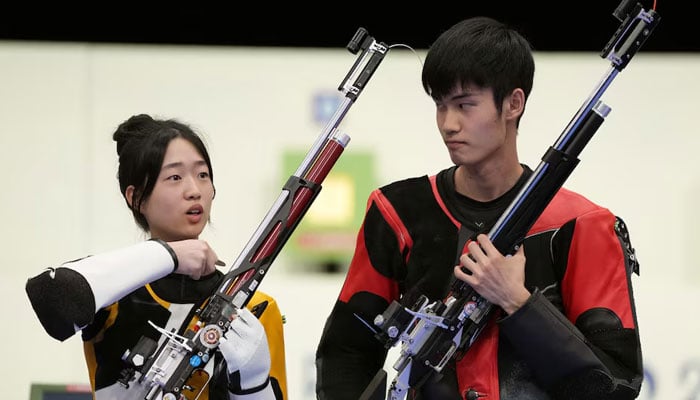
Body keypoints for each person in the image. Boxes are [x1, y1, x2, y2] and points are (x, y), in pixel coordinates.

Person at [315, 16, 643, 400]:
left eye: (465, 105)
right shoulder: (397, 213)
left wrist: (517, 302)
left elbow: (616, 387)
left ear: (513, 103)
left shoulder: (582, 225)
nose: (448, 124)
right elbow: (346, 353)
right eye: (440, 105)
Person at [26, 114, 287, 400]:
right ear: (135, 197)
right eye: (174, 177)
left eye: (203, 175)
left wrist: (254, 386)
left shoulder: (254, 308)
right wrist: (169, 255)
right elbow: (51, 295)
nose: (194, 190)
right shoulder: (111, 295)